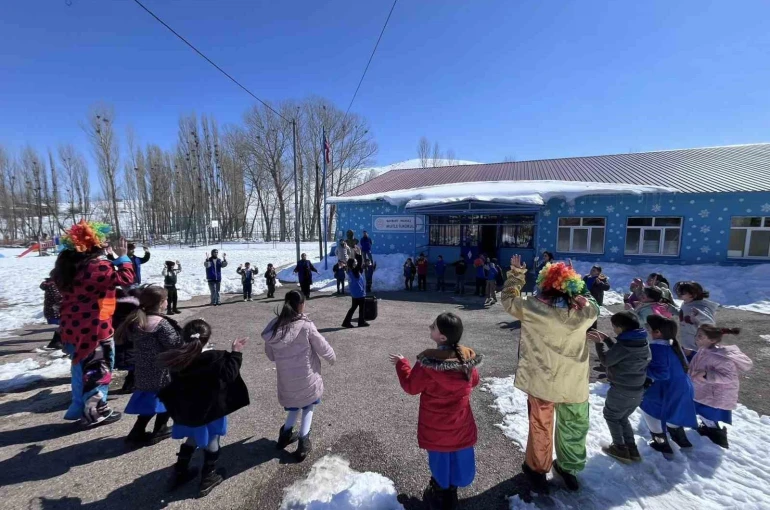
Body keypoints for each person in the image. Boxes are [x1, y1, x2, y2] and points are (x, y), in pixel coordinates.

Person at [501, 256, 599, 493]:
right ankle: (568, 468)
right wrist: (578, 284)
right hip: (574, 384)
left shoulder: (533, 308)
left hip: (542, 383)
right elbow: (593, 301)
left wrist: (517, 273)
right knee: (574, 427)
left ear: (544, 283)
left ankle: (537, 469)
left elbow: (508, 298)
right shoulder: (585, 311)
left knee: (540, 427)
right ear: (571, 285)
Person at [389, 313, 482, 510]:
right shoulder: (467, 360)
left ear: (442, 338)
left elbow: (411, 387)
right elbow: (474, 381)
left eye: (433, 327)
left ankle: (439, 494)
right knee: (457, 457)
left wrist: (402, 364)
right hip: (460, 423)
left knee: (440, 459)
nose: (430, 327)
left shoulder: (428, 362)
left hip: (436, 426)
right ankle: (451, 494)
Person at [52, 220, 135, 426]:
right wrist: (122, 256)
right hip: (95, 327)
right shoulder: (96, 266)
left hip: (71, 325)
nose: (106, 244)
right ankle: (95, 412)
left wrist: (108, 258)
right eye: (102, 241)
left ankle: (78, 406)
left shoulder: (66, 267)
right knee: (99, 368)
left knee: (79, 368)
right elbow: (126, 278)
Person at [158, 319, 250, 497]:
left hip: (188, 411)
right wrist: (236, 353)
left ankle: (180, 471)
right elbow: (230, 374)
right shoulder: (215, 357)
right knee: (212, 440)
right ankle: (208, 477)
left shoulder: (177, 359)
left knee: (192, 436)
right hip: (211, 410)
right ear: (207, 338)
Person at [262, 290, 336, 461]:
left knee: (294, 406)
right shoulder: (305, 326)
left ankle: (285, 435)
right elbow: (322, 345)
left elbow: (271, 355)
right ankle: (303, 442)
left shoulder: (274, 328)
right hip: (306, 375)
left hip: (286, 379)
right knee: (308, 406)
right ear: (301, 305)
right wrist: (332, 357)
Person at [118, 286, 182, 446]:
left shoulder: (136, 320)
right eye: (166, 300)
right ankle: (160, 429)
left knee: (152, 401)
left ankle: (137, 430)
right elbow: (174, 344)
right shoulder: (161, 323)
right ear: (161, 303)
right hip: (161, 371)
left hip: (143, 369)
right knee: (169, 399)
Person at [588, 312, 651, 463]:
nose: (614, 329)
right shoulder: (641, 341)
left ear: (621, 328)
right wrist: (607, 339)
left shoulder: (624, 346)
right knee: (622, 417)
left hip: (621, 390)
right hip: (637, 390)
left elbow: (606, 361)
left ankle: (620, 448)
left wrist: (598, 343)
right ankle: (632, 449)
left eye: (614, 327)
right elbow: (622, 352)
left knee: (611, 416)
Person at [640, 315, 698, 455]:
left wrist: (642, 369)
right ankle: (681, 439)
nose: (648, 332)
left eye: (650, 329)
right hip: (682, 387)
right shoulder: (673, 345)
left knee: (649, 409)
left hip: (667, 389)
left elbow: (662, 374)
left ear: (658, 332)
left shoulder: (657, 348)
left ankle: (661, 443)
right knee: (672, 412)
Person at [689, 325, 752, 448]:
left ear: (712, 340)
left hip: (714, 395)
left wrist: (707, 375)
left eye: (700, 336)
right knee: (702, 411)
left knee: (707, 413)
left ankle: (718, 437)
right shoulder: (704, 350)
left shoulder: (720, 358)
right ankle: (709, 428)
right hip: (704, 390)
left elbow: (729, 377)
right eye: (697, 334)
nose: (696, 338)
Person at [674, 281, 718, 358]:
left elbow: (710, 323)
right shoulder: (686, 303)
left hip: (697, 346)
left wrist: (698, 315)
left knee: (696, 367)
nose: (679, 294)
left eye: (682, 292)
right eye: (678, 291)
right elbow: (684, 315)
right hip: (687, 342)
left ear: (693, 294)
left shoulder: (700, 307)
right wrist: (671, 309)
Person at [113, 286, 141, 395]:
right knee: (135, 368)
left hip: (121, 352)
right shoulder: (133, 321)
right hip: (130, 354)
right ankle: (130, 384)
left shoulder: (115, 317)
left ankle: (130, 383)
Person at [342, 258, 370, 328]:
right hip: (359, 293)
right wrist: (359, 254)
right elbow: (359, 265)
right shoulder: (354, 271)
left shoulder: (350, 270)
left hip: (355, 293)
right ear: (353, 263)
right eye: (355, 261)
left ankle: (347, 322)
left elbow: (359, 268)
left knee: (353, 308)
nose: (356, 262)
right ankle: (360, 322)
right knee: (361, 309)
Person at [583, 265, 610, 330]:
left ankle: (593, 330)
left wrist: (600, 283)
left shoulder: (601, 278)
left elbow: (607, 287)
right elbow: (582, 285)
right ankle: (586, 329)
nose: (591, 271)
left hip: (595, 300)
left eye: (594, 270)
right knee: (585, 314)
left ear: (598, 273)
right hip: (586, 298)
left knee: (593, 316)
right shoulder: (586, 277)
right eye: (591, 269)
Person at [40, 274, 63, 350]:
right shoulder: (53, 286)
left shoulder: (53, 285)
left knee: (63, 326)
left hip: (54, 311)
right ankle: (56, 342)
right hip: (54, 311)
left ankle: (56, 342)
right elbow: (58, 299)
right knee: (64, 325)